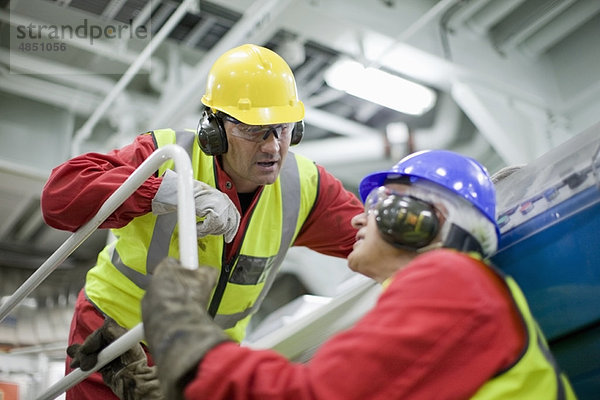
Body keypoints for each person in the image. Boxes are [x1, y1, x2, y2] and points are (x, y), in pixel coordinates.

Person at [41, 43, 363, 399]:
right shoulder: (165, 155)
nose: (273, 147)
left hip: (200, 358)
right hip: (116, 338)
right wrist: (160, 191)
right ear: (215, 130)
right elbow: (60, 196)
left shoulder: (305, 187)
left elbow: (376, 240)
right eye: (254, 130)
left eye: (283, 129)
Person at [141, 149, 577, 400]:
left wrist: (180, 331)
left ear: (423, 219)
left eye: (379, 206)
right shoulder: (442, 294)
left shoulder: (452, 280)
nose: (354, 221)